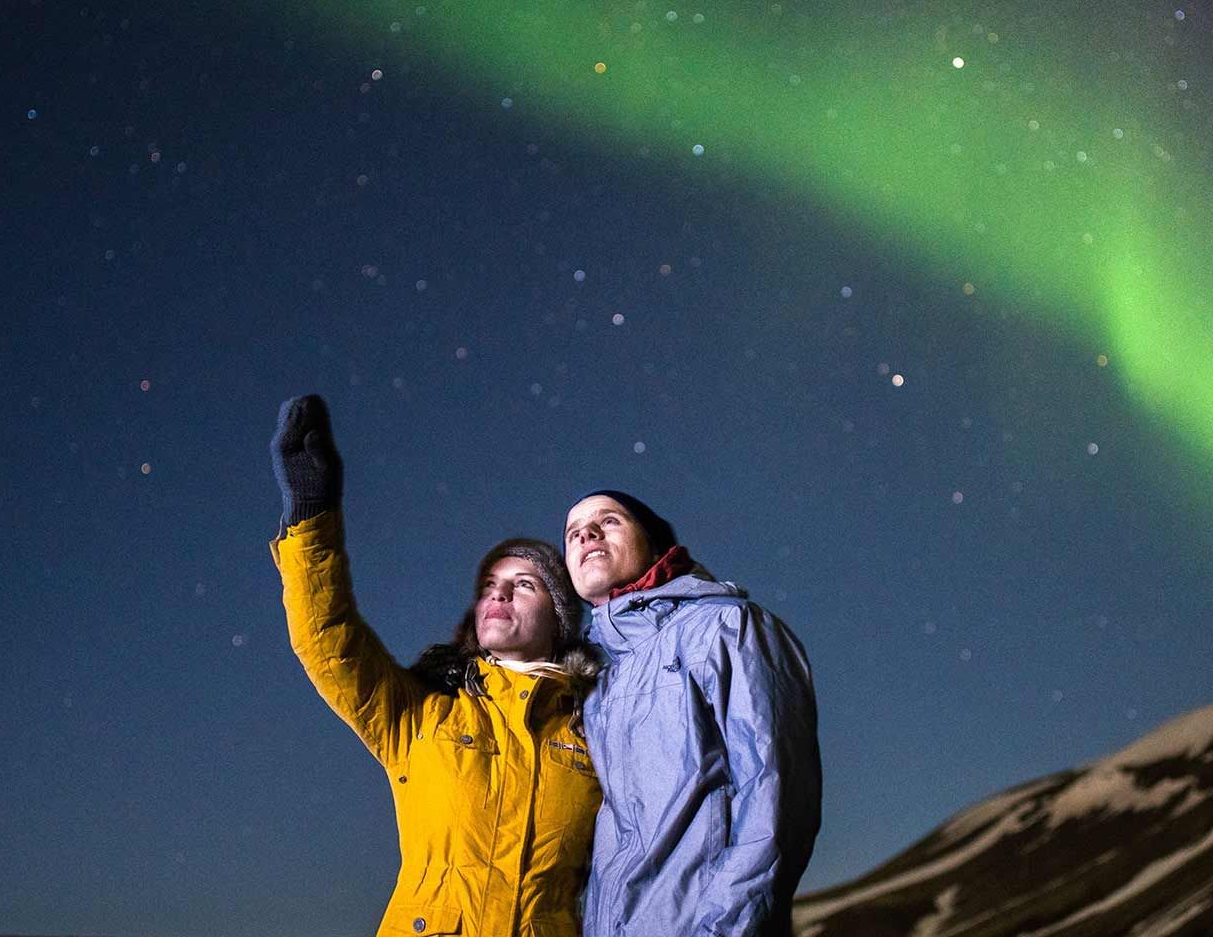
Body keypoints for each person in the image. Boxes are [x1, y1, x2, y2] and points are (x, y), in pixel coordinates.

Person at [269, 394, 602, 937]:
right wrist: (312, 512)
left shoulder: (598, 729)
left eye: (523, 585)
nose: (499, 595)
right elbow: (327, 637)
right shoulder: (424, 713)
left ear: (560, 618)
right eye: (490, 586)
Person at [563, 490, 822, 937]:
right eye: (573, 534)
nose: (587, 533)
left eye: (609, 522)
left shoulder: (726, 628)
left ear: (656, 544)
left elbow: (774, 795)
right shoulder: (593, 681)